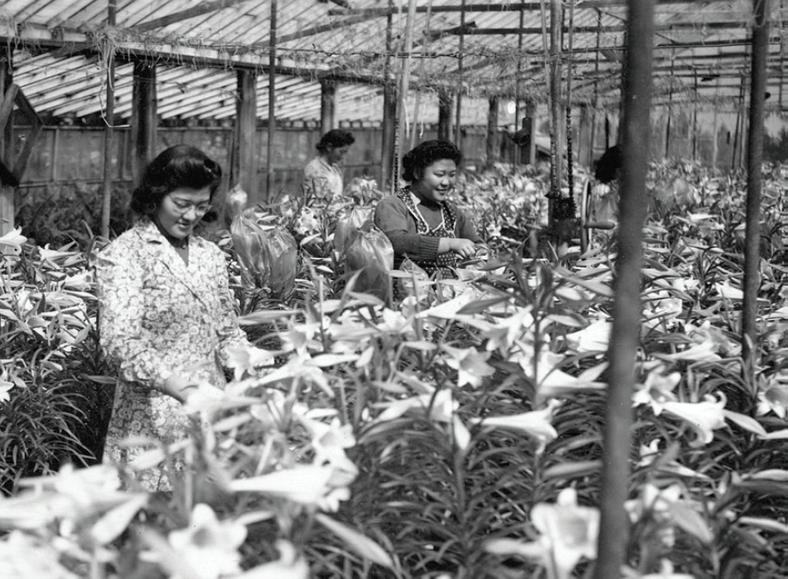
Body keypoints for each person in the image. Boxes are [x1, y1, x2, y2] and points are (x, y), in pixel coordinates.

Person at [94, 145, 253, 491]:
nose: (191, 216)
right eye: (181, 204)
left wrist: (259, 371)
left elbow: (226, 332)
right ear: (156, 196)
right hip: (151, 418)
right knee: (156, 526)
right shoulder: (124, 255)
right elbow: (119, 342)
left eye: (201, 205)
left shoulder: (209, 255)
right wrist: (172, 384)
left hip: (210, 410)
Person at [374, 139, 485, 278]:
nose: (446, 182)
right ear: (417, 173)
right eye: (439, 175)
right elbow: (397, 242)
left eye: (452, 175)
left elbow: (477, 244)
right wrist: (449, 244)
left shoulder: (453, 213)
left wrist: (479, 253)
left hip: (451, 294)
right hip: (407, 294)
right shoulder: (392, 205)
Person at [302, 128, 355, 205]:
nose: (343, 156)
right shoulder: (314, 169)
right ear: (329, 147)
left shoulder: (335, 168)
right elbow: (317, 203)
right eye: (341, 152)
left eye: (345, 153)